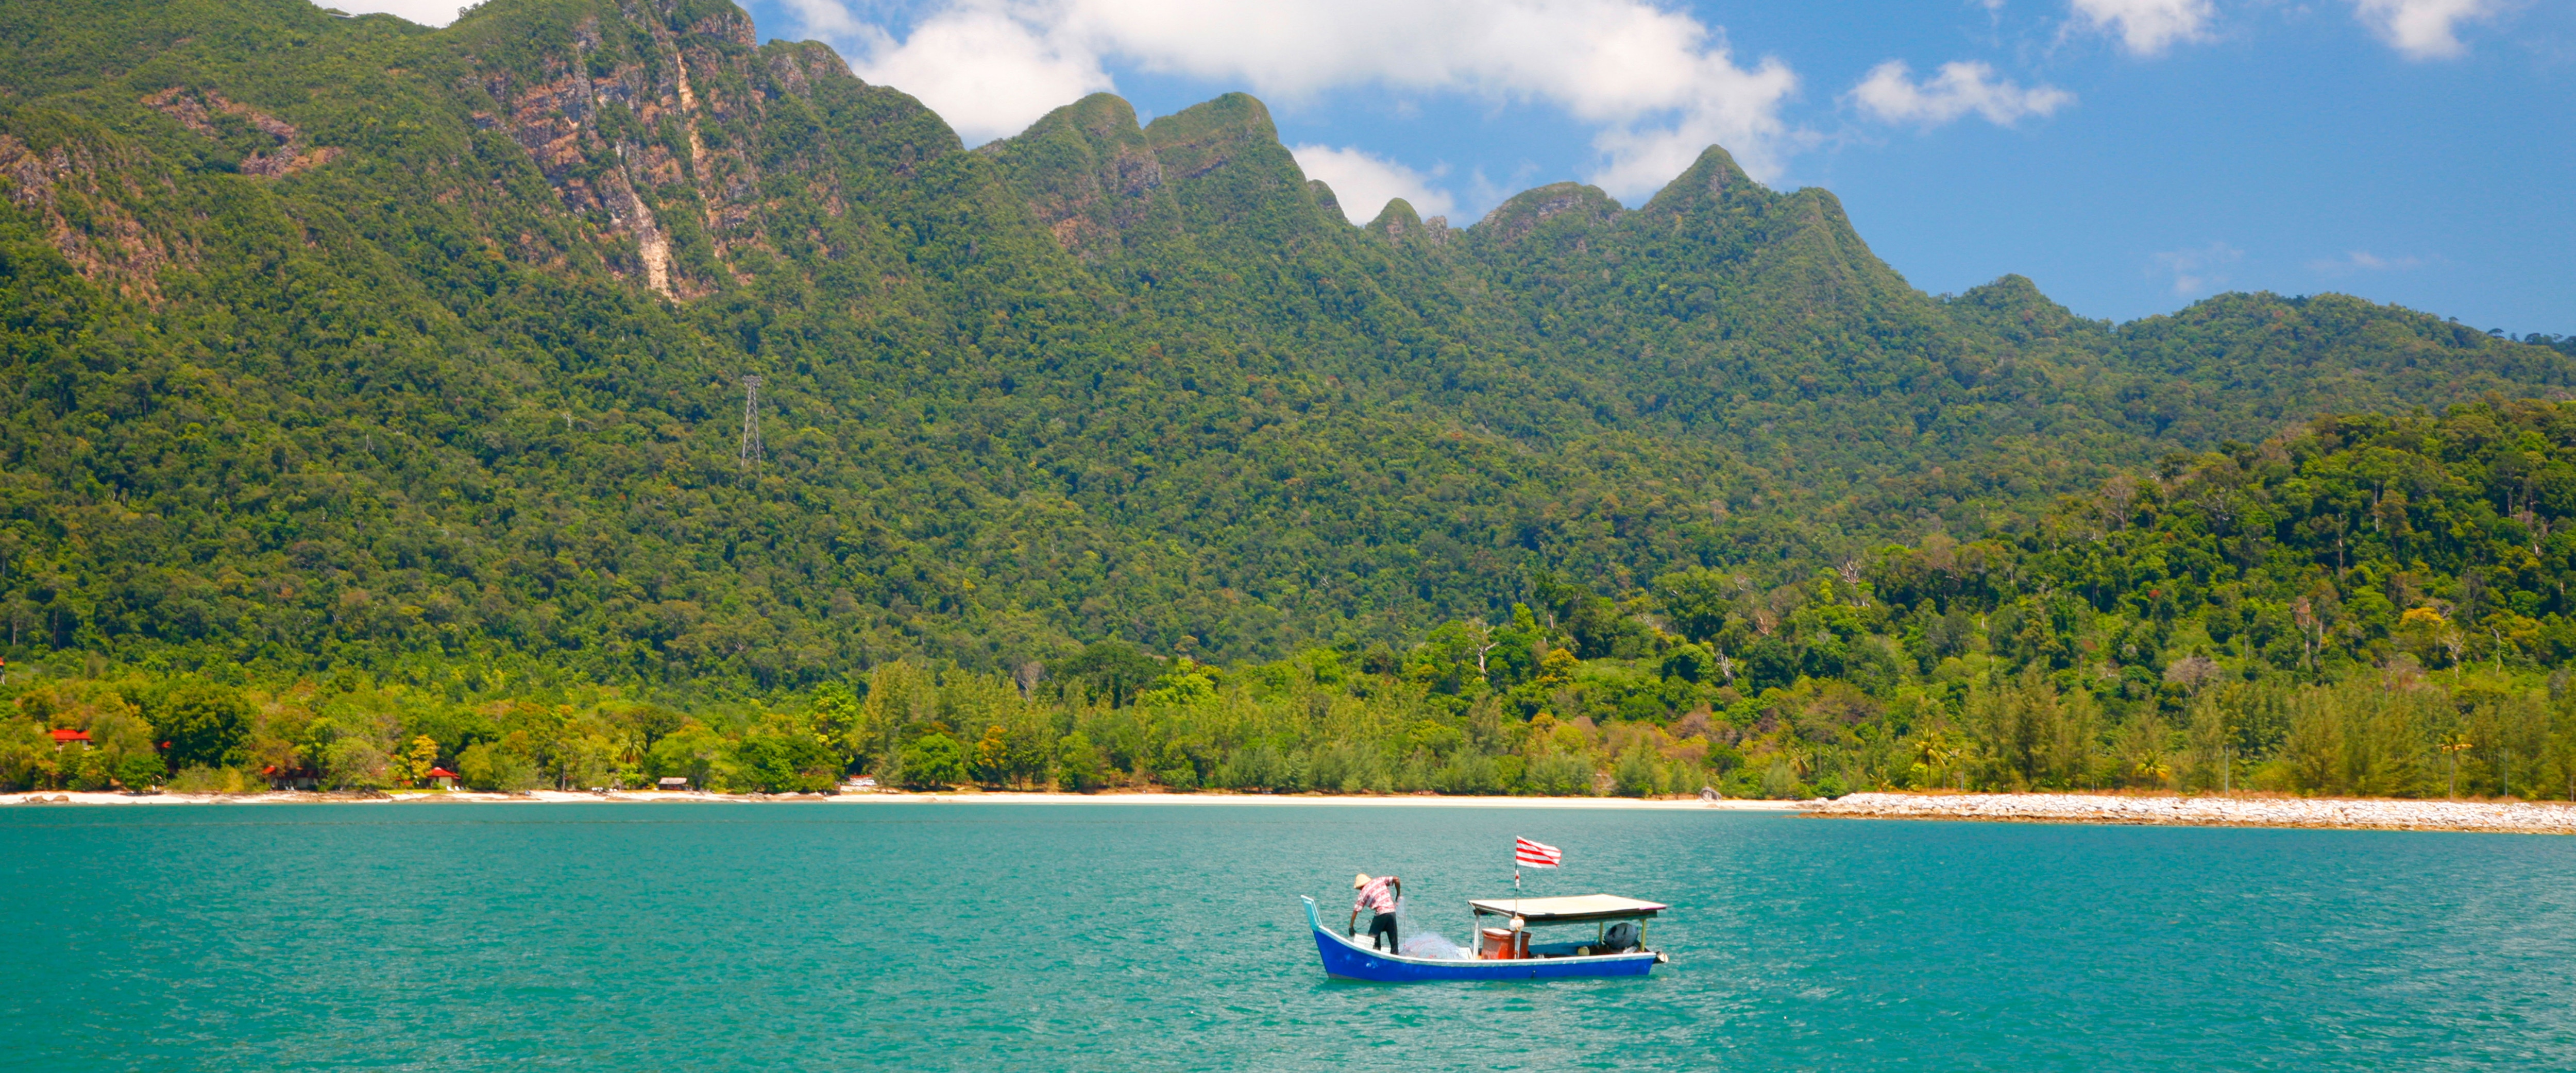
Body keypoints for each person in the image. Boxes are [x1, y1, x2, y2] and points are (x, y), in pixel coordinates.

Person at [1349, 872, 1402, 952]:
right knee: (1393, 940)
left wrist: (1351, 927)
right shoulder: (1379, 880)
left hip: (1381, 912)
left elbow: (1356, 911)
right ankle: (1395, 956)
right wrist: (1398, 894)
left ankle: (1376, 952)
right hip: (1392, 911)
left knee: (1372, 936)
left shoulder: (1363, 893)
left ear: (1360, 887)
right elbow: (1396, 879)